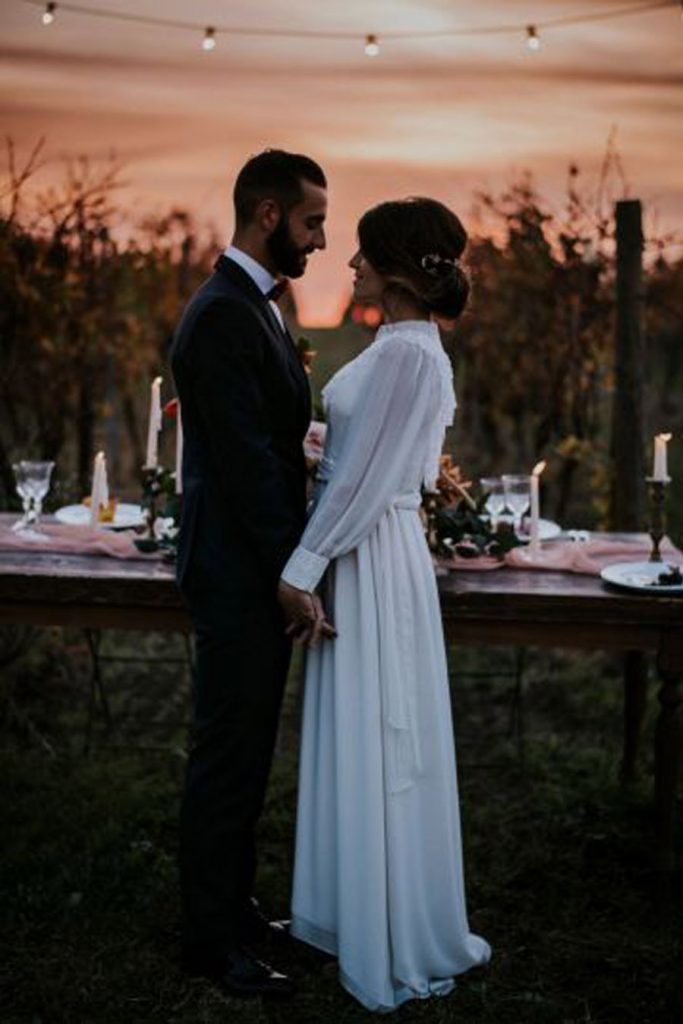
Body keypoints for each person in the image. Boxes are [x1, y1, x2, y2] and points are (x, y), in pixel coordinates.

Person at [279, 197, 492, 1012]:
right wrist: (314, 445)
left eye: (365, 253)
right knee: (355, 728)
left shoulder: (410, 354)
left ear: (402, 270)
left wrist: (301, 566)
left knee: (379, 731)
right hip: (357, 545)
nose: (351, 263)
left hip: (367, 553)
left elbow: (371, 485)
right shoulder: (396, 346)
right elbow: (365, 457)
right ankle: (343, 910)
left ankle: (388, 929)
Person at [170, 149, 332, 1000]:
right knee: (226, 757)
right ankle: (209, 942)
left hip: (245, 561)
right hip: (237, 569)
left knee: (245, 748)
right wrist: (289, 570)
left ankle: (233, 908)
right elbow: (241, 468)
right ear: (268, 214)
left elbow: (263, 441)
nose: (321, 238)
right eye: (311, 221)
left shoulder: (251, 307)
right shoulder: (226, 314)